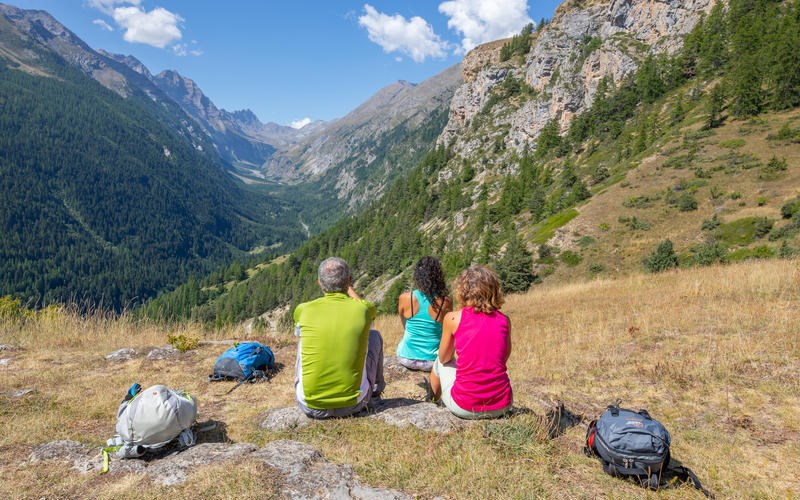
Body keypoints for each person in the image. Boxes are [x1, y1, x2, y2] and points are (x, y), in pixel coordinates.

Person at [293, 257, 385, 418]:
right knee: (374, 336)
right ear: (349, 281)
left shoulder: (303, 310)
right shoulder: (363, 310)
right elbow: (365, 307)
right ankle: (376, 389)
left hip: (310, 405)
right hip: (355, 403)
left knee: (304, 339)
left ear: (319, 283)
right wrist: (348, 287)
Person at [429, 265, 513, 419]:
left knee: (438, 362)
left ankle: (432, 402)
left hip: (465, 406)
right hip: (503, 405)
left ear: (463, 291)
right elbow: (503, 357)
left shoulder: (453, 318)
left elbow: (444, 358)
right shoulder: (504, 320)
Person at [396, 256, 453, 371]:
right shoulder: (445, 301)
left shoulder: (405, 298)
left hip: (406, 358)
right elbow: (447, 330)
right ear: (438, 277)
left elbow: (405, 326)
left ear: (417, 276)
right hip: (433, 360)